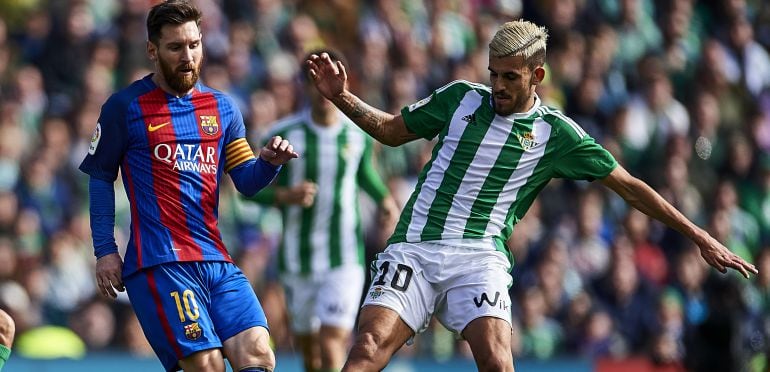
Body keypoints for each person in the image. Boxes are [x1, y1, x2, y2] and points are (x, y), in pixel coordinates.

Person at [306, 19, 758, 372]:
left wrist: (700, 235)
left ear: (536, 74)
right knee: (366, 348)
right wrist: (342, 97)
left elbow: (631, 188)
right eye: (492, 74)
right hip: (415, 247)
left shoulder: (556, 134)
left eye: (508, 77)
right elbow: (388, 131)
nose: (497, 86)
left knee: (498, 361)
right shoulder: (460, 98)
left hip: (479, 257)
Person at [79, 1, 298, 371]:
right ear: (153, 50)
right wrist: (105, 250)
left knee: (259, 353)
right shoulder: (125, 107)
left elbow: (246, 181)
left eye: (194, 45)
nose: (188, 56)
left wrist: (269, 164)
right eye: (175, 47)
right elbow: (100, 178)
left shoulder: (223, 109)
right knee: (207, 366)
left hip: (216, 260)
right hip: (161, 262)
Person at [244, 49, 399, 372]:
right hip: (297, 259)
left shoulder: (357, 134)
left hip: (344, 258)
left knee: (331, 342)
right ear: (304, 85)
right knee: (309, 352)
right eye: (316, 82)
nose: (324, 91)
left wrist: (384, 199)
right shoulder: (284, 134)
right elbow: (249, 190)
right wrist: (286, 195)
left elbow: (363, 173)